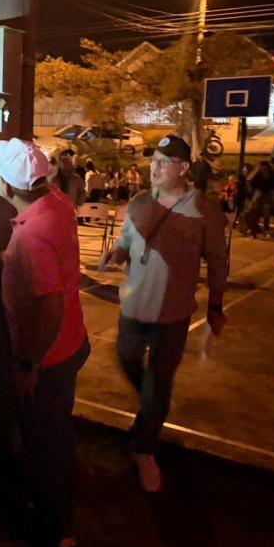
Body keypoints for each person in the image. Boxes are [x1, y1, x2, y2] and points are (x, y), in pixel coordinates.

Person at [0, 104, 90, 547]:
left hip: (49, 357)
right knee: (58, 441)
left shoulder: (31, 238)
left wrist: (27, 364)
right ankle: (60, 527)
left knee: (42, 453)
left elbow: (48, 308)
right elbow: (15, 164)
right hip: (73, 345)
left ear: (6, 189)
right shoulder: (56, 201)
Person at [99, 135, 228, 493]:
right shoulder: (140, 201)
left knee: (158, 383)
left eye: (163, 162)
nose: (153, 167)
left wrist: (216, 306)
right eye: (153, 160)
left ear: (183, 168)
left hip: (173, 315)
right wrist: (116, 254)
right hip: (132, 308)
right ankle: (153, 408)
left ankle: (144, 448)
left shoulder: (204, 212)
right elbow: (126, 241)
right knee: (127, 360)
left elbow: (218, 262)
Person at [244, 161, 274, 238]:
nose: (263, 169)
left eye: (265, 168)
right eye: (262, 168)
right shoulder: (257, 174)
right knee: (254, 209)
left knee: (266, 210)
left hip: (268, 192)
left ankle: (266, 226)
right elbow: (249, 180)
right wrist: (256, 171)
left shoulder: (273, 174)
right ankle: (254, 228)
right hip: (258, 192)